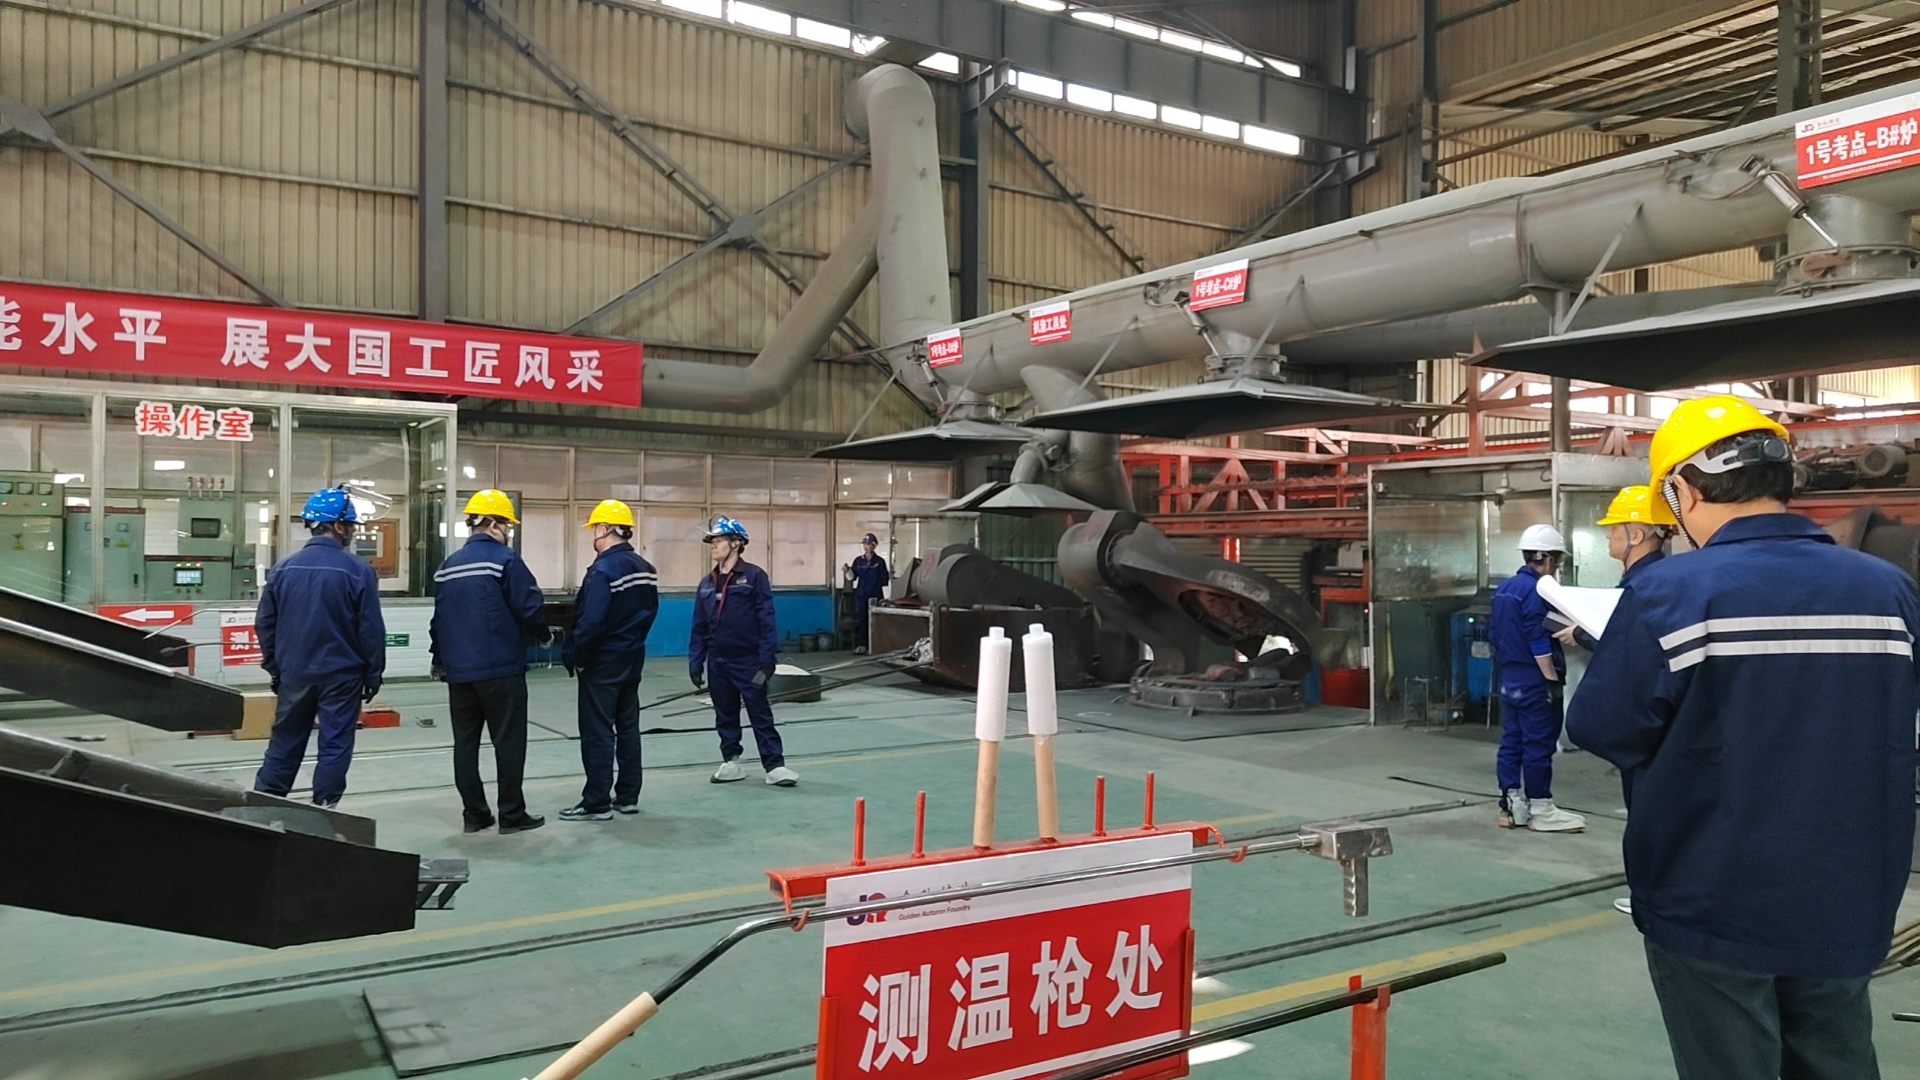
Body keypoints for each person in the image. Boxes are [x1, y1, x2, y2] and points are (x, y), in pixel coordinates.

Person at [1569, 395, 1919, 1080]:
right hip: (1850, 892)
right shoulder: (1889, 591)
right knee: (1838, 1056)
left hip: (1711, 894)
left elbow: (1602, 727)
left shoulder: (1670, 594)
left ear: (1682, 489)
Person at [253, 486, 385, 809]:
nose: (353, 532)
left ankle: (262, 806)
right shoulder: (359, 571)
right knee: (335, 744)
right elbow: (370, 630)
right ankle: (325, 810)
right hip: (343, 676)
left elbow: (264, 624)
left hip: (295, 674)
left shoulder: (283, 569)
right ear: (338, 526)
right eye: (351, 526)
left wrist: (275, 668)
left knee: (285, 742)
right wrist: (373, 674)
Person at [428, 489, 547, 835]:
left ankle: (475, 815)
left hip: (459, 672)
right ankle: (511, 814)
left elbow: (439, 620)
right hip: (500, 669)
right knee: (508, 742)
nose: (508, 532)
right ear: (494, 524)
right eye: (507, 525)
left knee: (465, 744)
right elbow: (528, 606)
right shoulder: (506, 561)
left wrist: (439, 659)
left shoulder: (447, 567)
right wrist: (543, 634)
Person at [559, 499, 659, 821]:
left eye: (595, 529)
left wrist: (578, 656)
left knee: (597, 730)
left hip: (603, 662)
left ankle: (597, 802)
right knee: (628, 726)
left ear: (604, 529)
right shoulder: (646, 569)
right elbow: (650, 611)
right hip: (632, 657)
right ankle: (627, 796)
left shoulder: (602, 570)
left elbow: (591, 622)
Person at [1487, 523, 1585, 833]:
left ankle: (1511, 807)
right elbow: (1537, 638)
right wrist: (1551, 679)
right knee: (1538, 745)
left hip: (1510, 678)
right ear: (1548, 558)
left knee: (1511, 742)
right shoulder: (1536, 590)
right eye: (1558, 561)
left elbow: (1496, 636)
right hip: (1534, 681)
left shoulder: (1504, 589)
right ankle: (1541, 809)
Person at [690, 516, 797, 786]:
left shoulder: (754, 577)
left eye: (718, 541)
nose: (713, 546)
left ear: (736, 543)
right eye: (711, 542)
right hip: (717, 661)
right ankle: (731, 762)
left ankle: (774, 767)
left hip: (747, 660)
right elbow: (699, 624)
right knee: (724, 714)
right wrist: (696, 660)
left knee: (759, 713)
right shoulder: (706, 583)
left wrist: (766, 658)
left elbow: (767, 618)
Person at [848, 532, 887, 655]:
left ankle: (875, 645)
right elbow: (852, 577)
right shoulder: (858, 561)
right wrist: (847, 570)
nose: (866, 546)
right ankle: (862, 645)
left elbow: (885, 580)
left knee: (876, 620)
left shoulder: (879, 562)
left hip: (876, 595)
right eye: (864, 544)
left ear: (874, 545)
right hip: (862, 595)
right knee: (862, 619)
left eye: (869, 544)